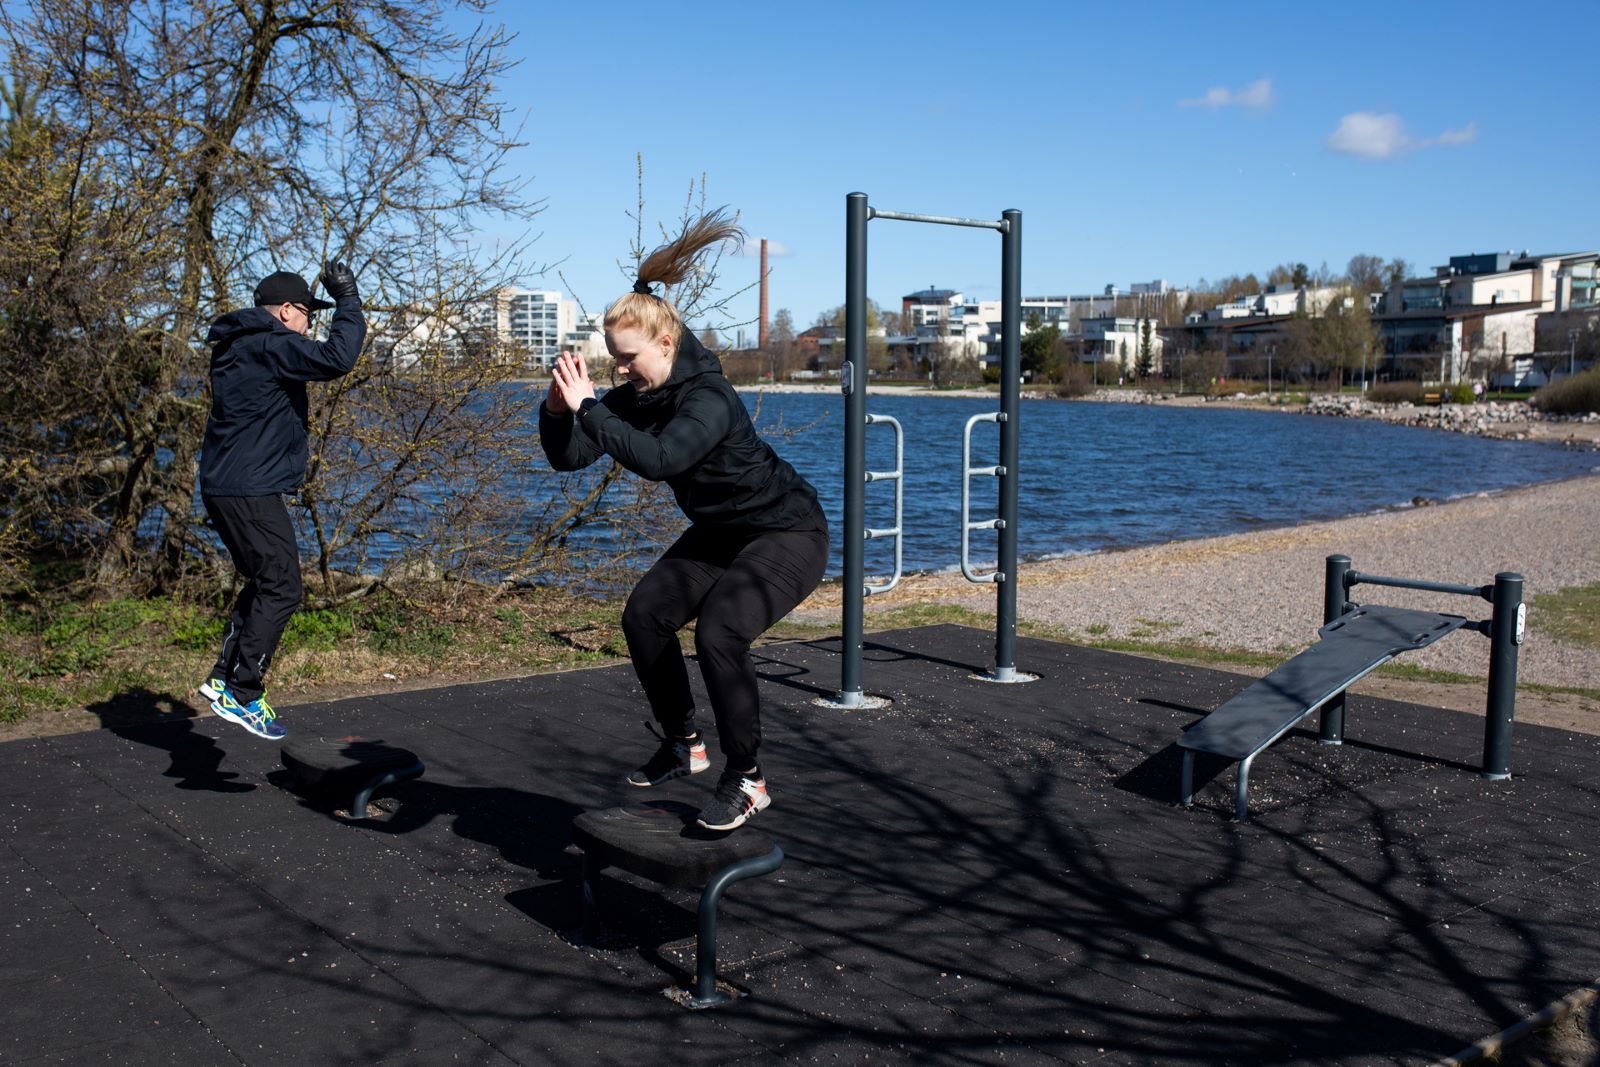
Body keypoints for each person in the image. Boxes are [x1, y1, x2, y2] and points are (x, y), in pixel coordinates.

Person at [539, 210, 828, 831]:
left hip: (787, 532)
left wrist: (592, 407)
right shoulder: (638, 395)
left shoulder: (709, 399)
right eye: (613, 359)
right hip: (722, 533)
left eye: (627, 357)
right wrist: (558, 410)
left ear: (665, 344)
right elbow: (569, 459)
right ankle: (682, 743)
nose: (619, 369)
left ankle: (747, 779)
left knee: (720, 634)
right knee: (644, 616)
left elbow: (661, 459)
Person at [196, 263, 365, 740]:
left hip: (226, 485)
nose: (311, 322)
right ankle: (242, 691)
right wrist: (348, 299)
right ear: (287, 311)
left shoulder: (239, 346)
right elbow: (337, 358)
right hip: (249, 489)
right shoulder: (268, 344)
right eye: (309, 313)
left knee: (266, 579)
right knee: (284, 587)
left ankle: (224, 676)